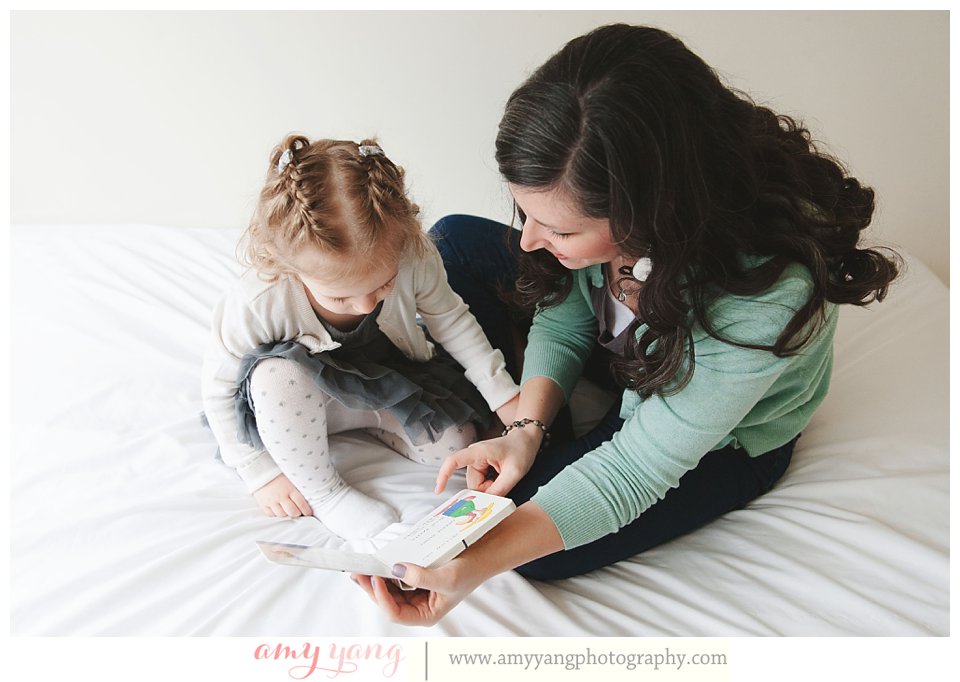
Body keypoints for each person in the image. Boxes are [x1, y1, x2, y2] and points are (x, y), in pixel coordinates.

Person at [352, 23, 900, 623]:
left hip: (720, 432)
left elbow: (633, 472)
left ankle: (548, 458)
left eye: (559, 230)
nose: (531, 239)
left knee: (519, 541)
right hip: (633, 352)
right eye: (527, 215)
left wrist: (470, 569)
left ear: (650, 213)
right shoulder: (621, 207)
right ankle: (536, 440)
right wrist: (527, 425)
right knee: (455, 239)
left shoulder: (765, 300)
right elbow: (562, 309)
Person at [200, 135, 519, 540]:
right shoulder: (260, 301)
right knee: (276, 379)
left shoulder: (414, 257)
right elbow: (218, 390)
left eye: (383, 285)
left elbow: (452, 322)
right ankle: (325, 491)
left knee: (458, 443)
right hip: (290, 398)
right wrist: (259, 474)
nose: (367, 306)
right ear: (286, 265)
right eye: (339, 296)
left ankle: (366, 425)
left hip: (381, 382)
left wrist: (505, 397)